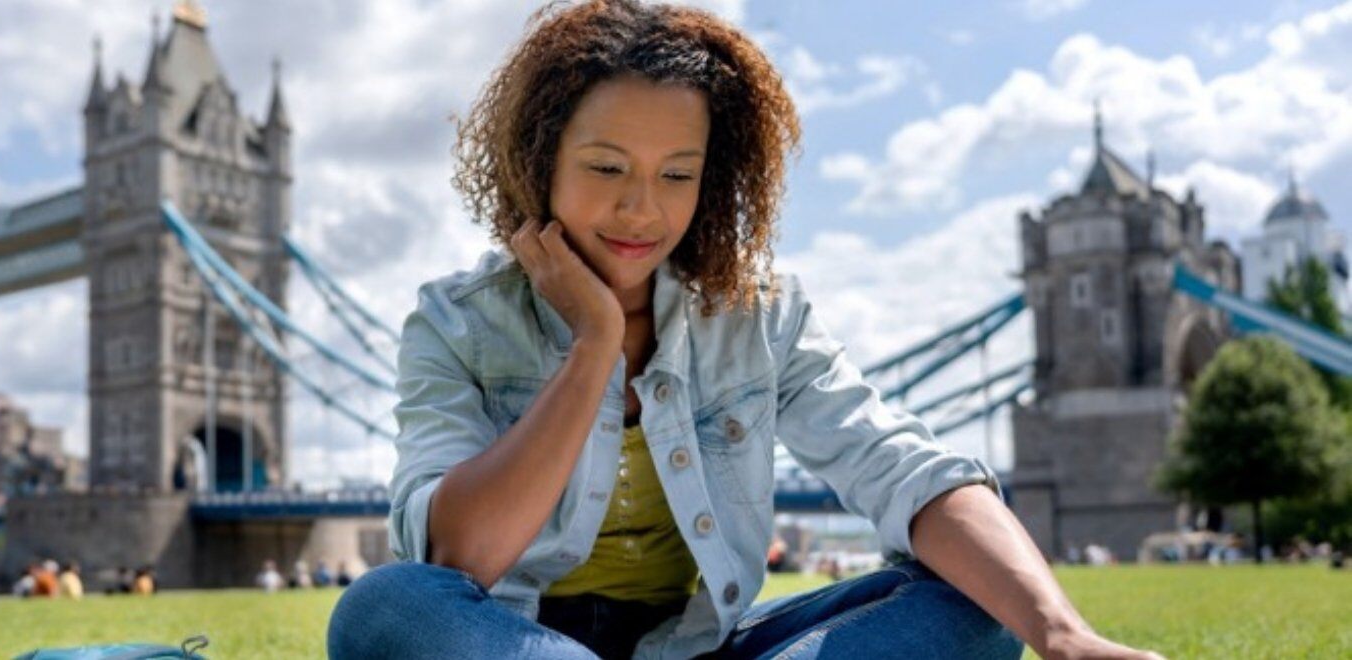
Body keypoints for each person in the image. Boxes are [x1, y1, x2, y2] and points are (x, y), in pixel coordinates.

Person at [326, 2, 1162, 658]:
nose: (641, 209)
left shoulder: (763, 315)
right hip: (506, 639)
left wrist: (1062, 634)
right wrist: (594, 346)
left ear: (713, 180)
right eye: (607, 168)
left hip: (701, 648)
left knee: (977, 603)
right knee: (385, 607)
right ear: (541, 161)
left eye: (678, 175)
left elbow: (902, 467)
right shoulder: (455, 323)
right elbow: (460, 555)